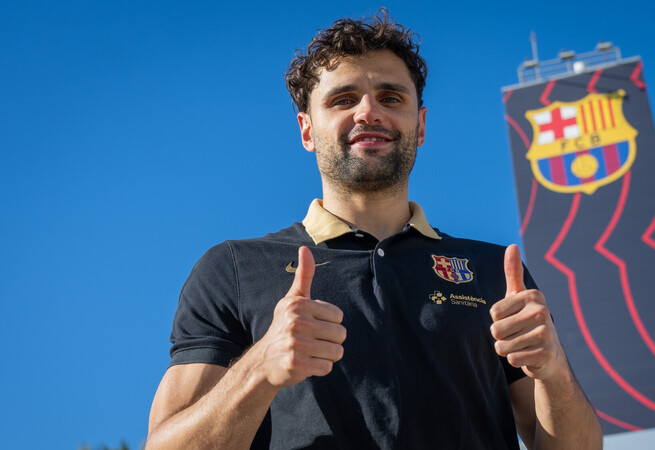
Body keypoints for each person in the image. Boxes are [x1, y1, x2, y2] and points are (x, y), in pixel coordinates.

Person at [147, 9, 602, 450]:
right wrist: (260, 367)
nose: (368, 112)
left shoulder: (494, 271)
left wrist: (554, 370)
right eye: (343, 100)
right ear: (307, 130)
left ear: (420, 126)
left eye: (391, 98)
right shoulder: (233, 269)